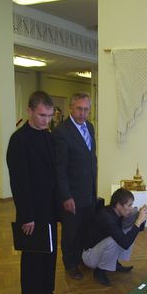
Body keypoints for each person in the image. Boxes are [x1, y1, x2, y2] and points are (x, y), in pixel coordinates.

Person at [7, 90, 64, 294]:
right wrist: (26, 215)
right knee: (32, 254)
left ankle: (46, 291)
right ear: (30, 111)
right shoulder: (19, 140)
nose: (47, 120)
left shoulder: (48, 136)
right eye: (42, 115)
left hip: (49, 207)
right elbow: (19, 182)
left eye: (50, 116)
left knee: (49, 251)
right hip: (32, 209)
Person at [52, 92, 97, 280]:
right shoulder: (61, 132)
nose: (83, 113)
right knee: (70, 232)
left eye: (86, 109)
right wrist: (66, 196)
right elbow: (59, 169)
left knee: (84, 229)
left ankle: (80, 259)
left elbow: (90, 158)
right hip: (71, 195)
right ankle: (70, 264)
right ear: (71, 108)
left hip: (88, 192)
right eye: (79, 109)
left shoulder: (90, 128)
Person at [82, 188, 147, 286]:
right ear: (118, 205)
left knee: (128, 231)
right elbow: (125, 243)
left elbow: (139, 229)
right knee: (114, 240)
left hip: (100, 249)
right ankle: (99, 271)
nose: (131, 208)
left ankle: (114, 263)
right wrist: (138, 221)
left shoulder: (116, 212)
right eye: (129, 205)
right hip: (90, 257)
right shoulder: (106, 217)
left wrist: (143, 217)